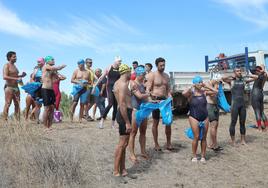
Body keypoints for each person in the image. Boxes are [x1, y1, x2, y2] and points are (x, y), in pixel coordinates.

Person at [182, 76, 218, 162]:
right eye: (198, 82)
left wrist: (206, 85)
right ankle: (194, 156)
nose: (200, 83)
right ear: (194, 83)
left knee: (204, 138)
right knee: (196, 136)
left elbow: (215, 91)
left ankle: (203, 156)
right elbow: (183, 93)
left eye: (201, 81)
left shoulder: (204, 92)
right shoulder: (191, 94)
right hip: (194, 117)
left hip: (205, 116)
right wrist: (192, 87)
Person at [222, 67, 254, 145]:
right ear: (234, 72)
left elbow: (256, 78)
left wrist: (246, 75)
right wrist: (231, 75)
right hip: (234, 105)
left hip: (242, 104)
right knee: (233, 122)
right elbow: (223, 78)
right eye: (237, 71)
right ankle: (233, 141)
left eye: (240, 71)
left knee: (242, 122)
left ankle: (243, 140)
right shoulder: (231, 81)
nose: (239, 72)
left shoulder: (243, 81)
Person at [146, 57, 173, 151]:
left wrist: (170, 96)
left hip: (165, 101)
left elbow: (168, 89)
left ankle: (169, 143)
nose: (163, 67)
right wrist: (150, 99)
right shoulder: (152, 75)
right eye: (161, 65)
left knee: (168, 122)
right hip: (156, 101)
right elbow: (148, 89)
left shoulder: (166, 76)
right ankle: (156, 144)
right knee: (155, 122)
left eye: (164, 65)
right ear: (157, 65)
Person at [113, 64, 132, 177]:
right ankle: (116, 170)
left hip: (124, 113)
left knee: (124, 144)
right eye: (130, 72)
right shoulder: (123, 84)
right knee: (121, 144)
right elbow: (122, 104)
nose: (131, 74)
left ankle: (122, 168)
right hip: (124, 114)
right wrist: (128, 122)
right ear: (126, 72)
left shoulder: (117, 83)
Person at [128, 66, 150, 163]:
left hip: (143, 110)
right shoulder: (133, 83)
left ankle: (143, 151)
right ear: (138, 74)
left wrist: (151, 102)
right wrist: (149, 93)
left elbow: (145, 98)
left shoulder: (142, 84)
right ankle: (132, 153)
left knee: (143, 132)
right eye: (143, 74)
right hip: (135, 110)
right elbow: (139, 96)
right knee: (133, 132)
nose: (145, 76)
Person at [94, 56, 121, 129]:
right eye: (119, 61)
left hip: (117, 88)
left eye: (121, 61)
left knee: (116, 106)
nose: (120, 62)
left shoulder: (120, 69)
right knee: (110, 104)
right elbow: (101, 78)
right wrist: (94, 86)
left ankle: (113, 124)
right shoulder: (109, 68)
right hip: (109, 87)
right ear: (115, 61)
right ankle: (102, 120)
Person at [41, 56, 66, 131]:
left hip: (51, 90)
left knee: (52, 108)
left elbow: (58, 77)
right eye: (52, 59)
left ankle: (50, 126)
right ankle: (45, 127)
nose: (53, 60)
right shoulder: (46, 67)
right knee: (46, 108)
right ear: (47, 61)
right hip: (45, 89)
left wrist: (58, 74)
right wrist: (60, 67)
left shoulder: (52, 70)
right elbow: (55, 68)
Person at [3, 51, 26, 122]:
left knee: (17, 104)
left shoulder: (15, 66)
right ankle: (5, 120)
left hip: (16, 88)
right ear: (9, 58)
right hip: (9, 87)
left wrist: (21, 76)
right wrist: (17, 78)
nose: (16, 58)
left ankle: (17, 121)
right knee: (8, 103)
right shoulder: (6, 65)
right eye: (14, 57)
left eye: (15, 56)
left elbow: (14, 76)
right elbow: (5, 76)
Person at [206, 79, 223, 151]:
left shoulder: (215, 86)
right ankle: (215, 145)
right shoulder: (207, 85)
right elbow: (213, 93)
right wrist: (216, 86)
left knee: (215, 126)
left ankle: (211, 143)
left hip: (215, 106)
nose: (218, 82)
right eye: (216, 80)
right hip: (210, 106)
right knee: (213, 126)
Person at [250, 65, 268, 132]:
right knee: (262, 112)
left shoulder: (259, 76)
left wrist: (261, 69)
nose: (255, 72)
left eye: (256, 71)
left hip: (255, 94)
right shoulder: (264, 76)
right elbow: (252, 78)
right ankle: (266, 127)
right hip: (260, 94)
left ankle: (260, 128)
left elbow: (251, 76)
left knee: (257, 111)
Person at [29, 57, 45, 123]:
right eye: (38, 62)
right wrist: (35, 83)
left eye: (40, 62)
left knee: (45, 104)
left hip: (45, 88)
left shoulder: (46, 69)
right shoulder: (36, 69)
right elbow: (32, 79)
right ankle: (37, 120)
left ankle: (45, 119)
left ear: (43, 62)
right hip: (38, 88)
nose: (38, 63)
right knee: (38, 104)